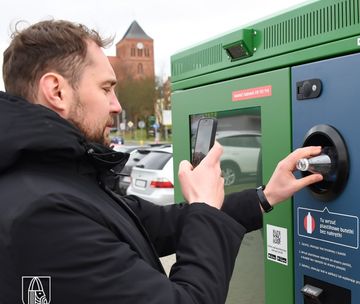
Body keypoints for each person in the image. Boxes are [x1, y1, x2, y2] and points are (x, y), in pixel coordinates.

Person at [0, 20, 323, 303]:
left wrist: (265, 196)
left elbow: (166, 223)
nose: (116, 105)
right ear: (57, 91)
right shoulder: (45, 214)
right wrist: (206, 209)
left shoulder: (62, 182)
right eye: (106, 88)